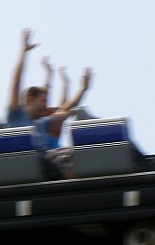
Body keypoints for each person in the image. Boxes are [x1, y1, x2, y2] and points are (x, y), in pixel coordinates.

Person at [7, 29, 92, 178]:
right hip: (29, 160)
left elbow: (64, 109)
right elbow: (16, 82)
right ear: (29, 100)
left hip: (47, 161)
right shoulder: (16, 114)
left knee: (83, 153)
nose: (45, 106)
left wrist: (82, 90)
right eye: (43, 101)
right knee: (68, 157)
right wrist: (24, 52)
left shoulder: (41, 123)